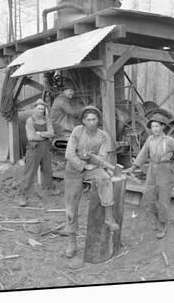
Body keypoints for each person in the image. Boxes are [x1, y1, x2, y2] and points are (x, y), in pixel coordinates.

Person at [63, 105, 119, 258]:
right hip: (73, 170)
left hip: (92, 167)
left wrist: (94, 161)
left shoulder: (103, 136)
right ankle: (72, 241)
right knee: (71, 209)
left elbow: (102, 157)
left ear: (98, 120)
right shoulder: (77, 131)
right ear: (83, 121)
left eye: (94, 119)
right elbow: (69, 154)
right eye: (88, 119)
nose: (91, 122)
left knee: (105, 178)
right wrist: (82, 165)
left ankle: (109, 217)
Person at [129, 114, 174, 239]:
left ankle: (162, 224)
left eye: (157, 126)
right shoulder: (150, 139)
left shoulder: (169, 140)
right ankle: (156, 219)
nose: (154, 129)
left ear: (162, 127)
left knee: (163, 200)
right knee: (148, 197)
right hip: (152, 170)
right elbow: (143, 154)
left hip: (165, 171)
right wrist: (133, 168)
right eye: (152, 126)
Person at [18, 99, 56, 207]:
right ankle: (23, 195)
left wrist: (41, 133)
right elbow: (31, 136)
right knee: (29, 173)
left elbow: (52, 133)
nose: (41, 111)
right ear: (35, 109)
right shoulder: (30, 121)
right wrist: (45, 135)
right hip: (33, 149)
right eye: (39, 109)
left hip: (45, 148)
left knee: (47, 170)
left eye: (43, 109)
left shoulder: (47, 119)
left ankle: (48, 189)